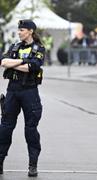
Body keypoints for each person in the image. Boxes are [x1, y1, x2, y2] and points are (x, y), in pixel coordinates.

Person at [0, 19, 45, 177]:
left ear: (31, 31)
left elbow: (33, 67)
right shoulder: (14, 46)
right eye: (19, 30)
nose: (19, 32)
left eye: (22, 30)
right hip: (12, 91)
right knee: (5, 127)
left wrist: (18, 64)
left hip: (29, 92)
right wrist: (23, 61)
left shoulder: (38, 48)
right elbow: (3, 62)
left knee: (30, 130)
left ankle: (33, 165)